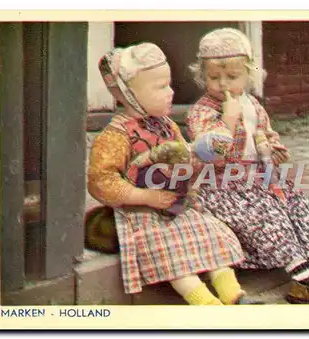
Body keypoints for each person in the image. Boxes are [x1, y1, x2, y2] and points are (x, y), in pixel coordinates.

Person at [186, 28, 309, 304]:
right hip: (223, 187)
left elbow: (267, 134)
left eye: (232, 77)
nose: (223, 84)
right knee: (270, 218)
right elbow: (211, 155)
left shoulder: (252, 105)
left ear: (249, 76)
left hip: (259, 179)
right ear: (202, 76)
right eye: (214, 77)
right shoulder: (202, 111)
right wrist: (227, 122)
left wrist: (275, 149)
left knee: (299, 205)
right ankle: (304, 282)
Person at [87, 41, 262, 305]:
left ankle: (233, 294)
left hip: (175, 205)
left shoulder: (168, 126)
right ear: (128, 93)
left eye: (168, 85)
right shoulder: (116, 136)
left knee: (211, 232)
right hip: (142, 211)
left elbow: (185, 157)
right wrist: (145, 197)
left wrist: (191, 172)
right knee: (170, 250)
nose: (170, 92)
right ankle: (205, 302)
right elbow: (102, 181)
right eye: (160, 87)